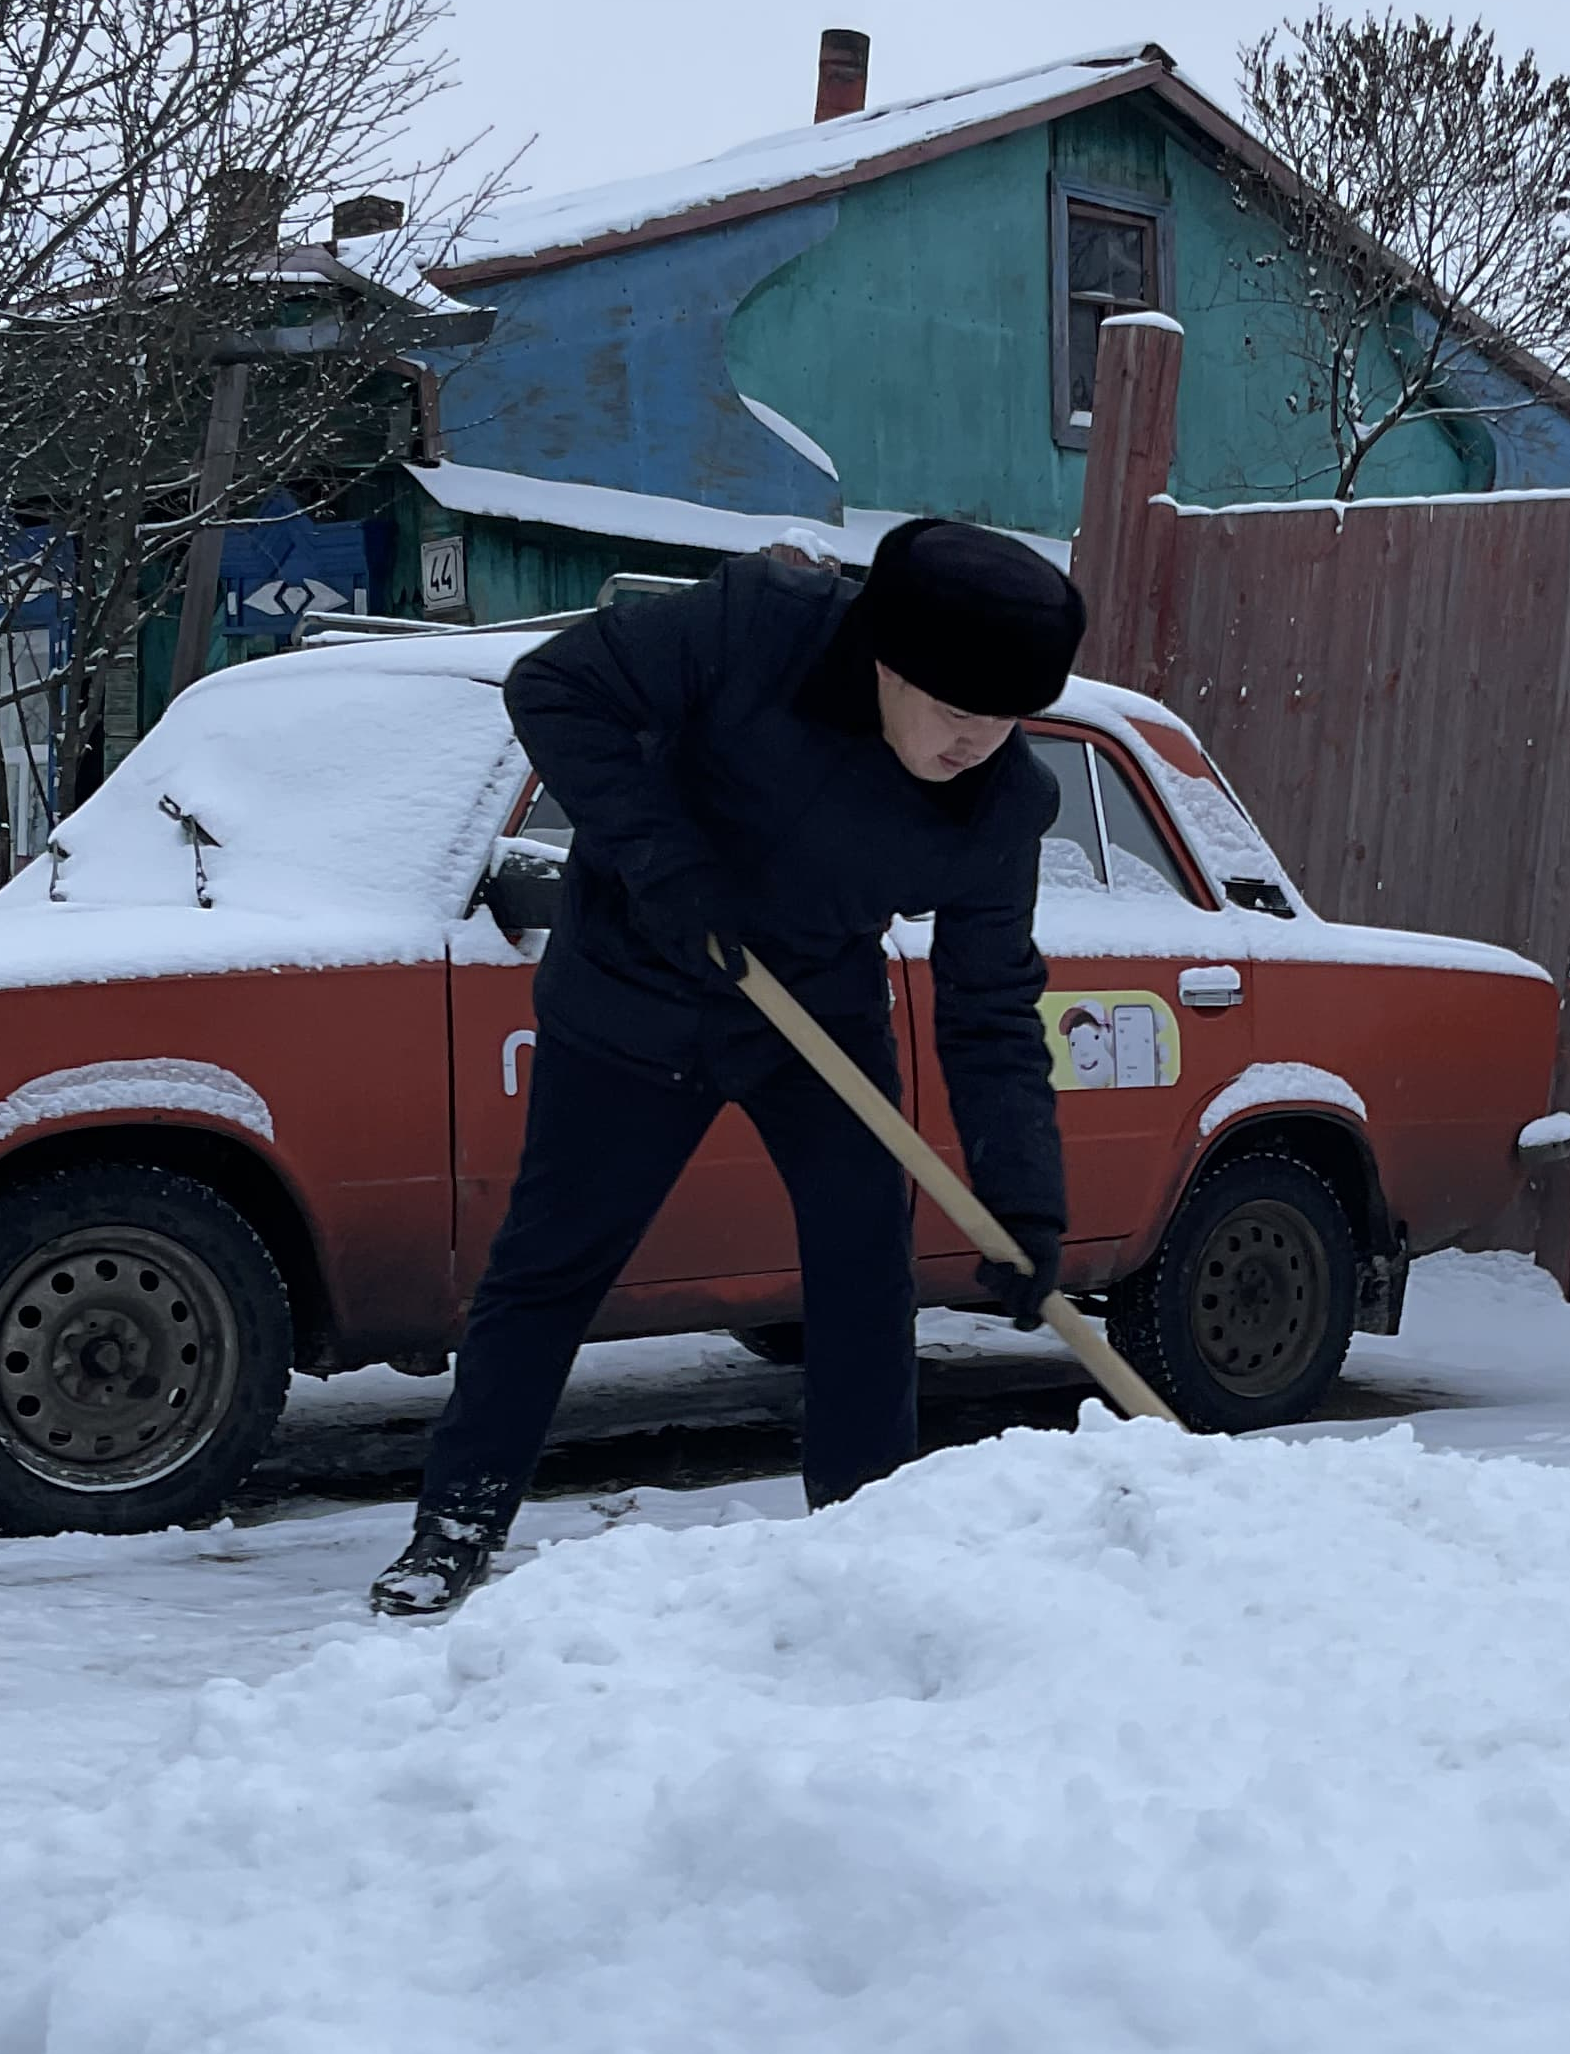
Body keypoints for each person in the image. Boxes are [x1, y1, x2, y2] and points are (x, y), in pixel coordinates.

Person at [369, 514, 1084, 1617]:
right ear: (887, 659)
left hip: (812, 1012)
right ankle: (455, 1522)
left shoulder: (1001, 808)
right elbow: (556, 689)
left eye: (1004, 720)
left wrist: (1024, 1201)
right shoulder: (755, 629)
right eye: (954, 712)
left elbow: (991, 1004)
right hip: (629, 992)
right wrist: (671, 874)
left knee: (864, 1263)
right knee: (551, 1264)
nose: (975, 743)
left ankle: (863, 1533)